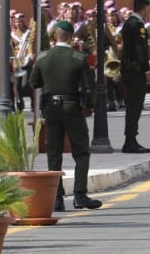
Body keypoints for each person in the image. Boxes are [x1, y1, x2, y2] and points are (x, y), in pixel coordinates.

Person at [30, 20, 102, 210]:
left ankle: (57, 198)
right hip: (72, 107)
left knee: (54, 153)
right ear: (71, 37)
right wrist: (89, 105)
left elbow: (33, 82)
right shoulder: (78, 58)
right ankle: (79, 195)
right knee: (81, 152)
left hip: (51, 109)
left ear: (55, 36)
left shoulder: (43, 57)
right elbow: (89, 86)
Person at [120, 0, 150, 153]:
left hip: (128, 68)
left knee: (132, 106)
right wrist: (146, 68)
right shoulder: (137, 24)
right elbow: (141, 49)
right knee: (135, 106)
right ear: (144, 7)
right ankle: (130, 140)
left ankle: (130, 139)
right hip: (135, 70)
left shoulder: (129, 23)